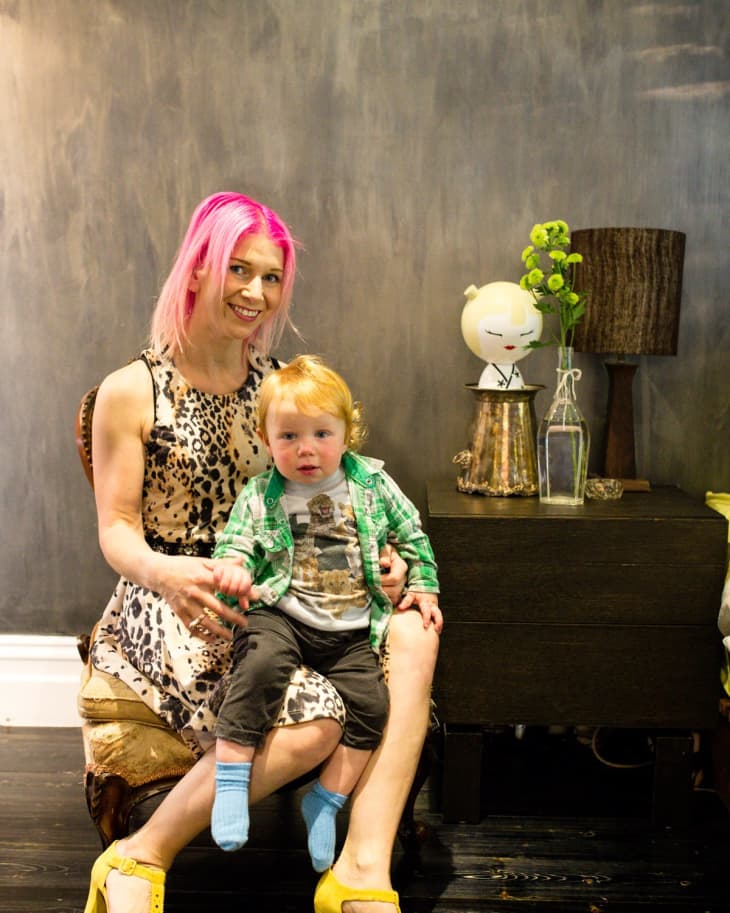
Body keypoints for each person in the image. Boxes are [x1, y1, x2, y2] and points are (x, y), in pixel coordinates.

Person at [83, 191, 440, 913]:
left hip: (288, 588)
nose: (256, 291)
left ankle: (362, 868)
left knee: (416, 626)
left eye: (271, 276)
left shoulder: (277, 389)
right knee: (316, 723)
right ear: (196, 270)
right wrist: (166, 571)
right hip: (176, 598)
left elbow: (344, 493)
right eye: (237, 269)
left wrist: (392, 561)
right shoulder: (132, 390)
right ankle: (138, 856)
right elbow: (116, 528)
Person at [209, 356, 442, 871]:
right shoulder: (261, 493)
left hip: (350, 627)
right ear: (267, 441)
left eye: (321, 433)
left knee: (372, 708)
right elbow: (236, 544)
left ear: (346, 433)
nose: (306, 448)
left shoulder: (372, 485)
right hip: (283, 614)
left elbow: (412, 534)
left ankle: (327, 800)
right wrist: (232, 570)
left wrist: (424, 586)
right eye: (288, 436)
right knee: (260, 664)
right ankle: (230, 780)